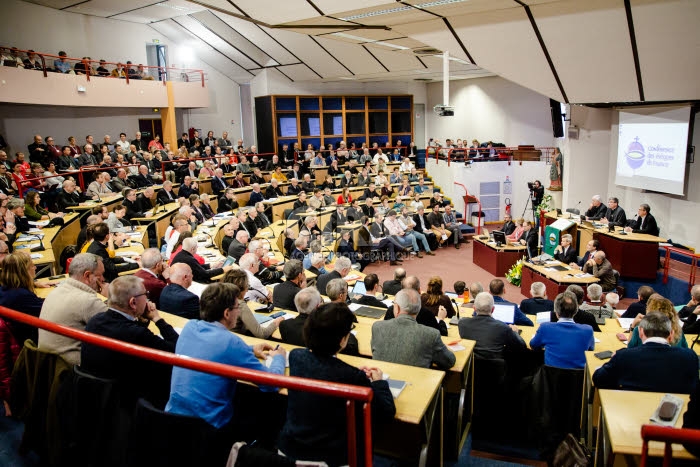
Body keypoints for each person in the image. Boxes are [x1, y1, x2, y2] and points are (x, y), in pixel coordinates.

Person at [165, 283, 286, 462]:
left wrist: (250, 349)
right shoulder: (230, 342)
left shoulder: (190, 327)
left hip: (171, 420)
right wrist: (279, 358)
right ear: (227, 313)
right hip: (209, 429)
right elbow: (271, 384)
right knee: (272, 405)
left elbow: (214, 347)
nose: (239, 312)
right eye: (238, 307)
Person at [278, 302, 394, 466]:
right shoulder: (352, 377)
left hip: (289, 450)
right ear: (343, 340)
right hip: (331, 458)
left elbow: (324, 368)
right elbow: (386, 411)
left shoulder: (296, 357)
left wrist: (351, 371)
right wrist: (379, 382)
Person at [81, 276, 179, 406]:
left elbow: (126, 327)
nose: (147, 298)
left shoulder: (95, 321)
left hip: (95, 397)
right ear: (133, 302)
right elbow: (176, 348)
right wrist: (157, 319)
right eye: (146, 294)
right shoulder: (137, 334)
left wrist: (141, 318)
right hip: (130, 401)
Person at [593, 312, 699, 394]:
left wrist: (611, 362)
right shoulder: (690, 357)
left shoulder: (624, 356)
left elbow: (598, 379)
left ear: (640, 332)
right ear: (671, 334)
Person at [372, 288, 455, 369]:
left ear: (397, 308)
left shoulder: (377, 327)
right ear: (418, 308)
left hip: (381, 379)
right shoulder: (431, 335)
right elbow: (449, 361)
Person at [529, 291, 595, 369]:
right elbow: (591, 348)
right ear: (575, 311)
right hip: (577, 379)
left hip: (549, 378)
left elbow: (533, 345)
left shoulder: (545, 327)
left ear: (556, 312)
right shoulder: (587, 330)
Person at [458, 292, 527, 360]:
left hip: (471, 366)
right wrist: (515, 332)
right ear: (493, 309)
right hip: (497, 368)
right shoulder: (503, 327)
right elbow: (522, 346)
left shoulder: (462, 323)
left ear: (474, 308)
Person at [0, 252, 45, 346]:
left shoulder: (6, 289)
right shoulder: (21, 296)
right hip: (30, 344)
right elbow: (47, 310)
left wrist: (33, 283)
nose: (35, 268)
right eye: (32, 265)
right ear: (24, 271)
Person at [221, 269, 282, 339]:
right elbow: (262, 334)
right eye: (247, 286)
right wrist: (276, 323)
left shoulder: (219, 298)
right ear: (241, 288)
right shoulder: (239, 305)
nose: (247, 290)